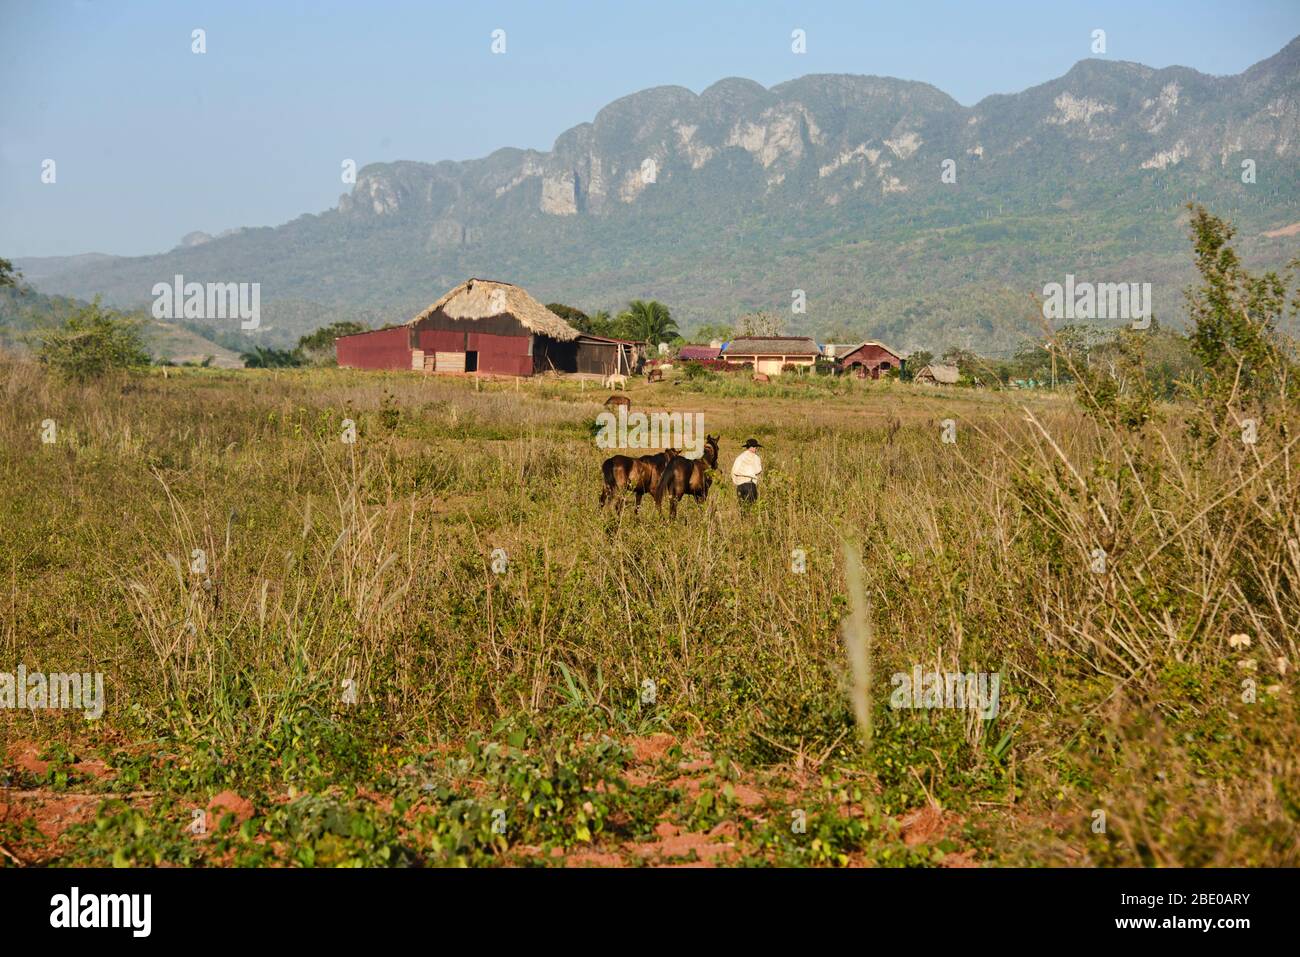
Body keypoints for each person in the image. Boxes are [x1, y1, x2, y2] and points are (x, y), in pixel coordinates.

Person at [731, 438, 763, 505]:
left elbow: (733, 471)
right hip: (750, 485)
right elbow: (758, 470)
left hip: (739, 486)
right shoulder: (756, 458)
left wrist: (737, 482)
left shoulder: (739, 457)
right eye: (755, 447)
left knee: (742, 509)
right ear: (752, 447)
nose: (756, 449)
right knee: (751, 508)